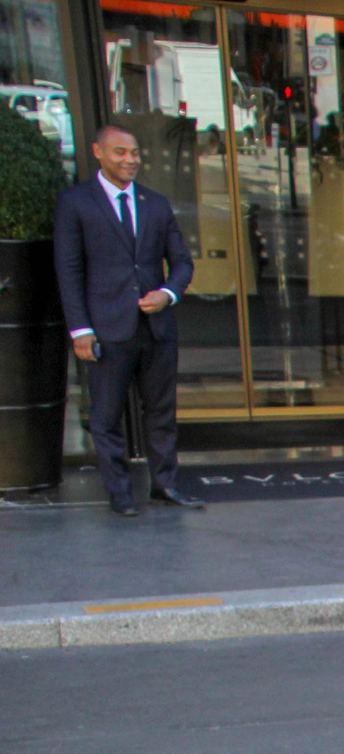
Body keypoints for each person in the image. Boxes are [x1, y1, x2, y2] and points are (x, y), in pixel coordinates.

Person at [54, 121, 200, 517]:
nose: (130, 160)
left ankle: (165, 485)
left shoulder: (155, 202)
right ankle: (120, 494)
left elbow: (182, 262)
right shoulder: (76, 202)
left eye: (134, 152)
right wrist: (80, 329)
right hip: (106, 328)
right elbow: (69, 270)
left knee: (161, 411)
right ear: (99, 153)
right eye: (120, 152)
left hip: (156, 327)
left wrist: (167, 293)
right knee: (106, 415)